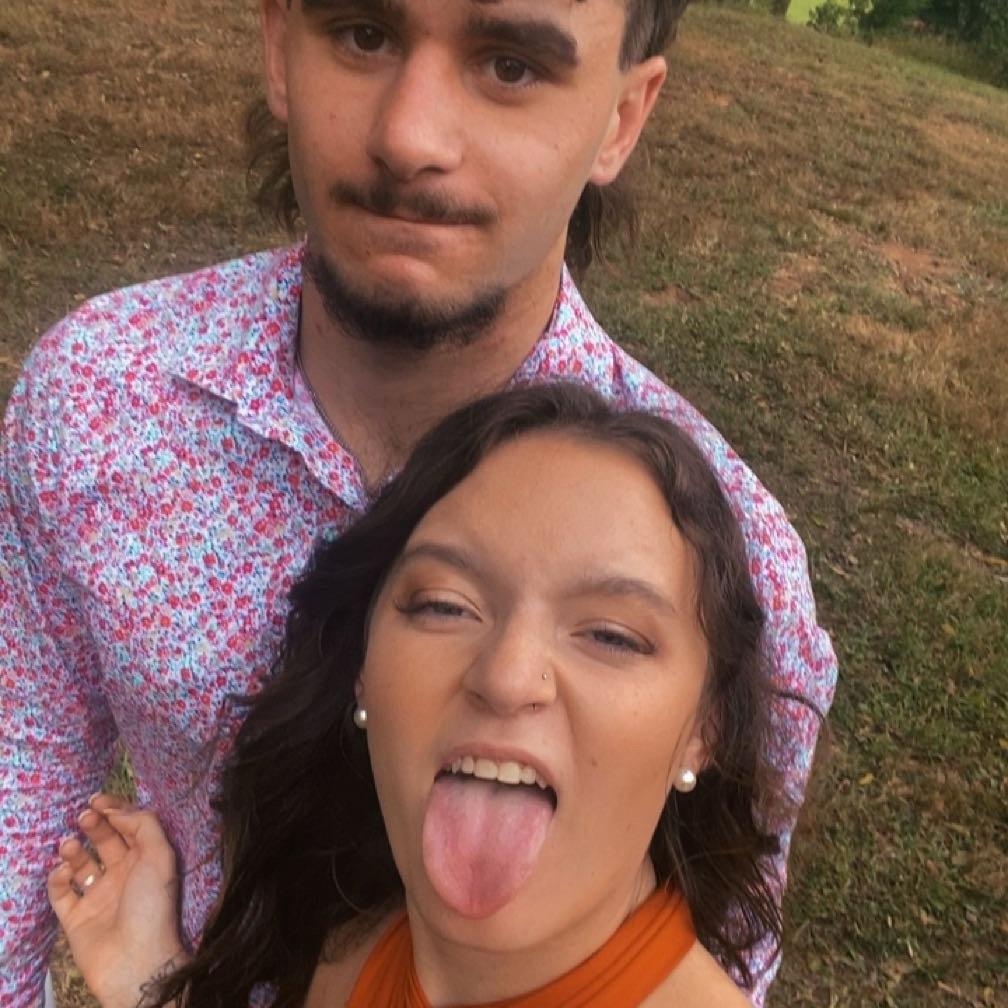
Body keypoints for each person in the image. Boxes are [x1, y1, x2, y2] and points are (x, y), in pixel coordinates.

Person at [0, 1, 836, 1004]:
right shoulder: (100, 399)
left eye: (511, 65)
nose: (409, 135)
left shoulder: (732, 568)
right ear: (280, 46)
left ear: (622, 115)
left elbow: (703, 953)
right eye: (363, 34)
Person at [48, 385, 807, 1008]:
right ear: (364, 667)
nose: (507, 677)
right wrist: (148, 978)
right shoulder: (353, 943)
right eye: (444, 605)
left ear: (705, 727)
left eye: (612, 635)